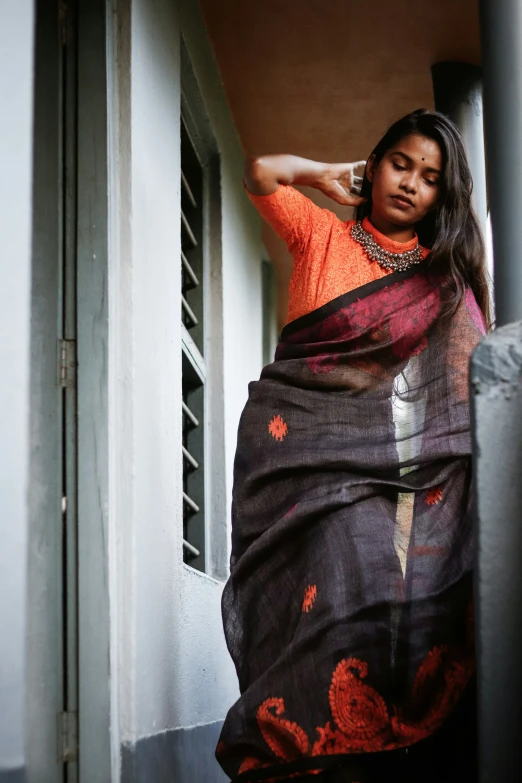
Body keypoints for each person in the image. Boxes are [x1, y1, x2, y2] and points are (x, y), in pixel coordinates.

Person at [216, 109, 490, 783]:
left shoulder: (439, 281)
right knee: (306, 604)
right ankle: (303, 754)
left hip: (385, 477)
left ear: (441, 196)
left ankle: (363, 752)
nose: (411, 185)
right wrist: (324, 174)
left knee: (367, 590)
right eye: (401, 163)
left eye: (430, 178)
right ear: (376, 165)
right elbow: (259, 173)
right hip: (291, 464)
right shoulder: (320, 234)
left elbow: (466, 386)